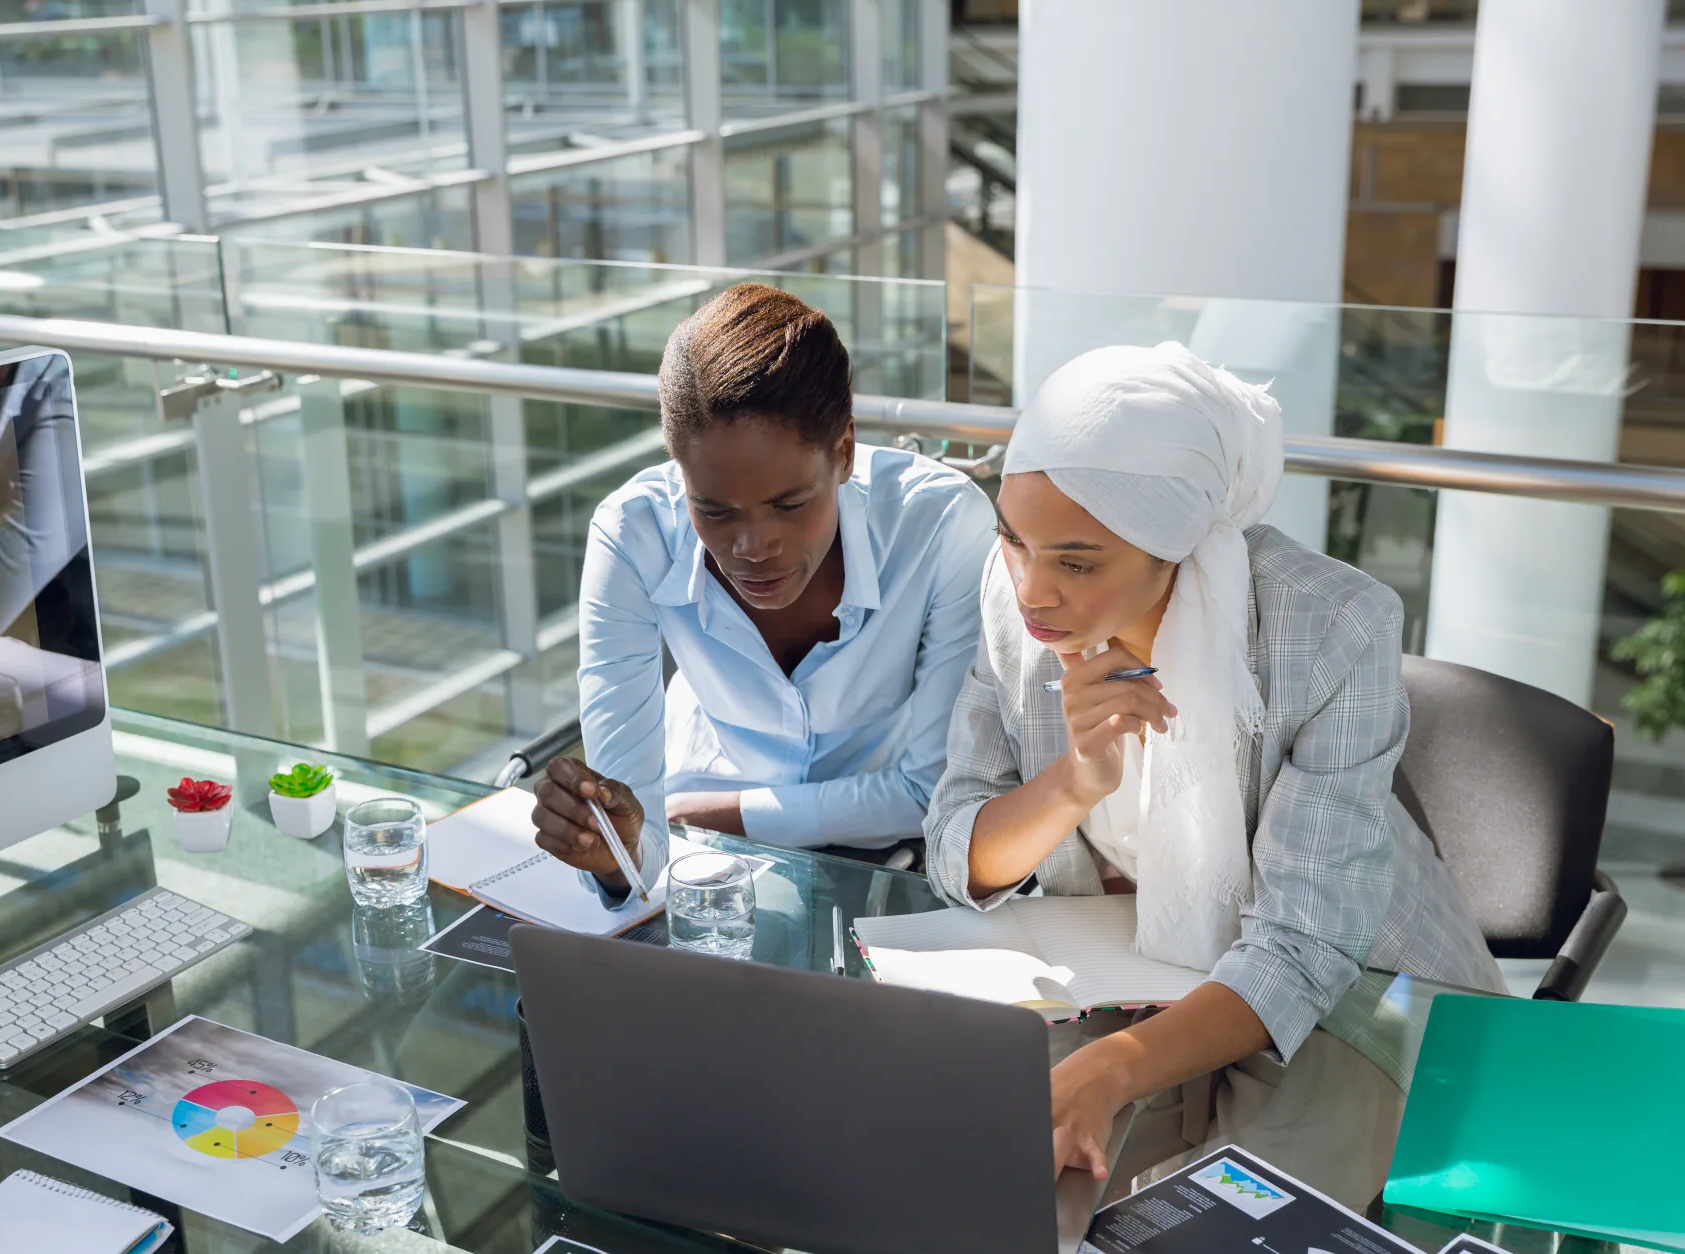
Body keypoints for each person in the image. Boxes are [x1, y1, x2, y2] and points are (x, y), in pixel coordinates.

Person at [922, 342, 1504, 1199]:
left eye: (1076, 562)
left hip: (1356, 980)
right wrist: (1074, 783)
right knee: (1008, 1203)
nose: (1033, 589)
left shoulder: (1333, 626)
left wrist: (1114, 1071)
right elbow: (953, 851)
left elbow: (1304, 947)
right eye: (1014, 541)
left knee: (1238, 1229)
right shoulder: (1013, 604)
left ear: (1178, 546)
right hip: (1122, 965)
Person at [529, 283, 995, 906]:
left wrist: (715, 812)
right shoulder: (632, 534)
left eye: (789, 504)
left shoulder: (941, 524)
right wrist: (612, 852)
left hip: (887, 860)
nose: (752, 546)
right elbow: (632, 848)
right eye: (713, 509)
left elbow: (935, 795)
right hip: (705, 861)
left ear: (845, 453)